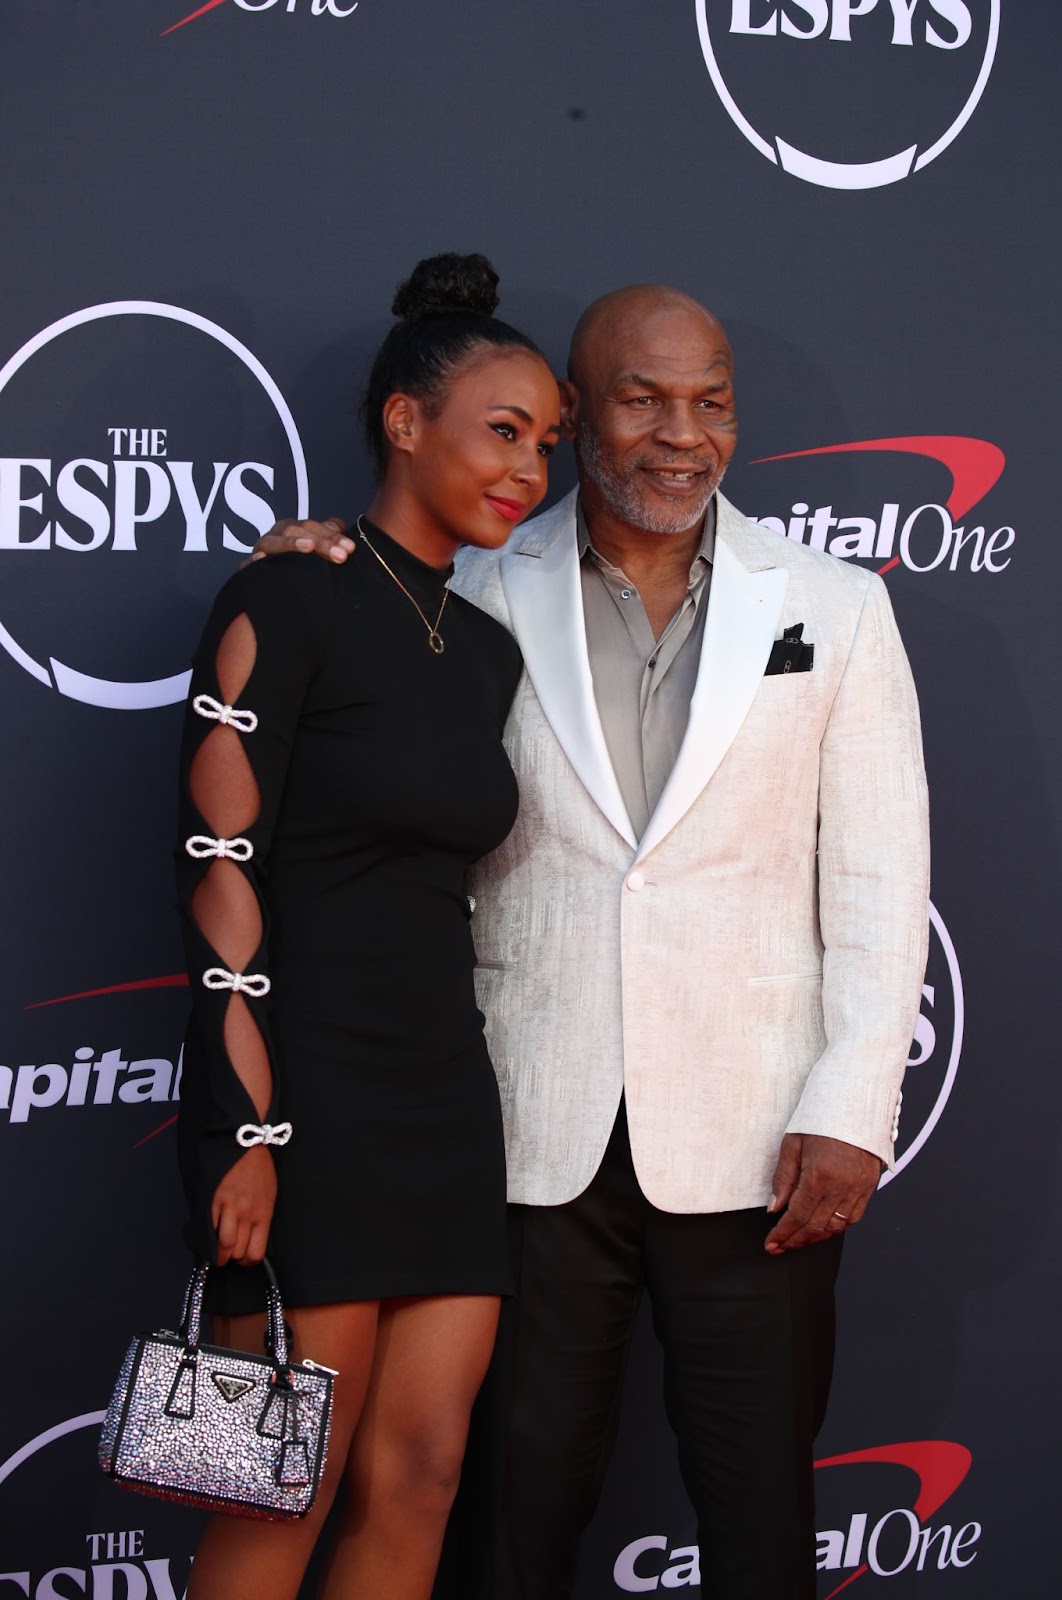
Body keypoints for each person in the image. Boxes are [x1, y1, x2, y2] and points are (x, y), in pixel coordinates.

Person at [254, 283, 929, 1600]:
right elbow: (345, 672)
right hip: (519, 1137)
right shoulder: (463, 589)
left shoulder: (836, 606)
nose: (682, 434)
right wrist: (311, 569)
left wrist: (853, 1103)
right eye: (641, 398)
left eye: (712, 401)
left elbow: (875, 877)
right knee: (506, 1521)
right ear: (578, 414)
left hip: (761, 1154)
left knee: (759, 1522)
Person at [174, 252, 561, 1600]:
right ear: (405, 420)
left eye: (547, 443)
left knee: (423, 1478)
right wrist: (245, 1134)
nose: (529, 469)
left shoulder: (493, 648)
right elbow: (218, 880)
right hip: (302, 1104)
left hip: (446, 1106)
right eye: (501, 430)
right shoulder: (284, 599)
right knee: (278, 1486)